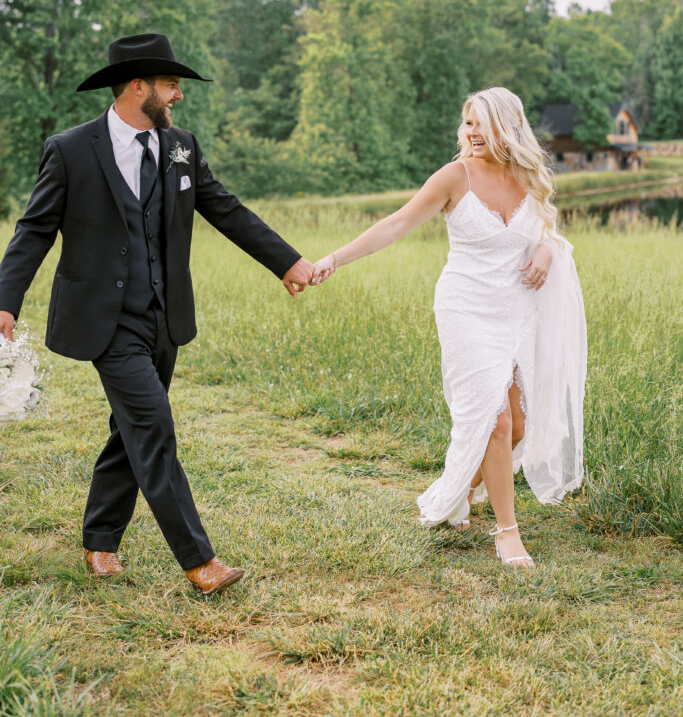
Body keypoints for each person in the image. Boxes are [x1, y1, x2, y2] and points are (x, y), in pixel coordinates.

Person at [0, 33, 314, 595]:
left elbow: (225, 209)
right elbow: (35, 229)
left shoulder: (181, 147)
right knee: (153, 426)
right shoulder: (70, 149)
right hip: (103, 319)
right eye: (171, 85)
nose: (178, 97)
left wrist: (286, 262)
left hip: (164, 318)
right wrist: (5, 299)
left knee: (130, 430)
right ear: (138, 86)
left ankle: (99, 540)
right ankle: (200, 563)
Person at [312, 87, 586, 568]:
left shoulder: (527, 176)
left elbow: (547, 226)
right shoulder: (454, 177)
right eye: (467, 123)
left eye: (481, 123)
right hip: (465, 310)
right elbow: (396, 225)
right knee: (495, 419)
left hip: (517, 310)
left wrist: (547, 249)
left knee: (518, 426)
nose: (471, 133)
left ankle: (465, 487)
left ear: (508, 126)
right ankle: (506, 533)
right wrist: (334, 259)